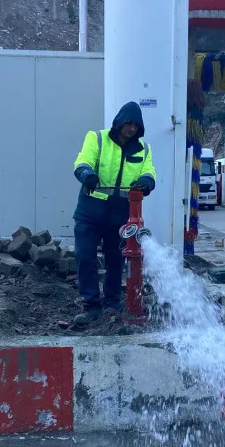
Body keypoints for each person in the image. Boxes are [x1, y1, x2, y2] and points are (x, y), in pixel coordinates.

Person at [72, 101, 156, 327]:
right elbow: (83, 161)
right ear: (119, 121)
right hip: (91, 208)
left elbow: (148, 170)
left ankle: (112, 302)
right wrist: (87, 173)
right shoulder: (97, 138)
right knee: (84, 254)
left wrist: (147, 180)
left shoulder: (144, 149)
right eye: (128, 123)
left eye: (135, 126)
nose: (131, 129)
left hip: (120, 212)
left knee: (115, 259)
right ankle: (90, 303)